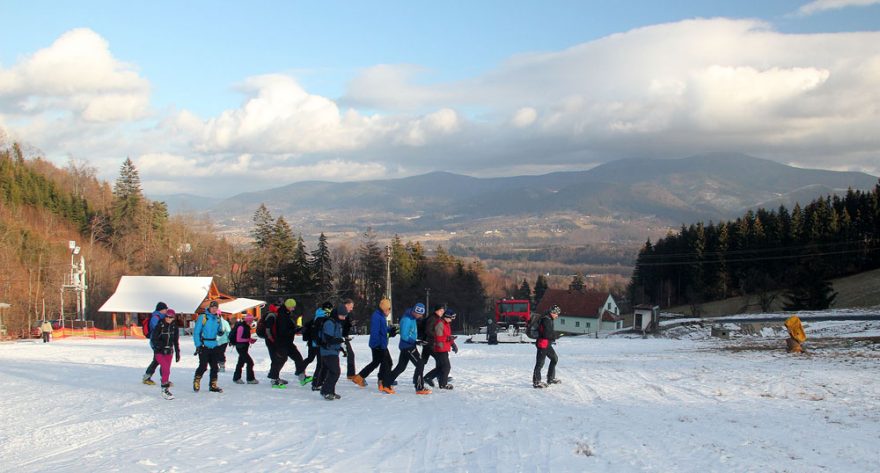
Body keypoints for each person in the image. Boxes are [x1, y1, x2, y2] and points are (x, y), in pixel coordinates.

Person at [386, 303, 431, 395]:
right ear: (415, 311)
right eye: (419, 314)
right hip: (408, 346)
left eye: (421, 314)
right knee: (420, 363)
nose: (420, 316)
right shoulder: (407, 319)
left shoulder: (412, 318)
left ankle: (386, 382)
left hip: (407, 346)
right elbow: (404, 336)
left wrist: (417, 340)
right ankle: (419, 387)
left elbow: (411, 332)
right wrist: (415, 342)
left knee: (401, 367)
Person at [351, 298, 394, 391]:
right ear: (384, 309)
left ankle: (360, 377)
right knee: (387, 363)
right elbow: (375, 332)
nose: (389, 312)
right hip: (378, 345)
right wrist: (377, 345)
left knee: (377, 362)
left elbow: (383, 330)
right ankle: (383, 382)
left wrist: (390, 331)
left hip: (381, 344)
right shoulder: (377, 316)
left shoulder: (381, 316)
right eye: (388, 309)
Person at [193, 300, 226, 393]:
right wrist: (198, 345)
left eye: (216, 308)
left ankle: (213, 385)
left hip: (214, 345)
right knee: (203, 366)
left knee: (215, 367)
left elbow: (220, 328)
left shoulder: (218, 318)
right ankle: (196, 381)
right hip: (204, 345)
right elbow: (196, 332)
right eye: (213, 308)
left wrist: (220, 331)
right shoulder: (203, 317)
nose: (214, 310)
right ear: (209, 308)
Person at [318, 305, 347, 400]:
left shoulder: (337, 323)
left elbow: (336, 338)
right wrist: (341, 340)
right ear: (337, 314)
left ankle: (330, 391)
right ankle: (325, 391)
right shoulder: (330, 323)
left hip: (333, 351)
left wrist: (342, 347)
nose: (344, 318)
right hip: (327, 351)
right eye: (342, 315)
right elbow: (329, 339)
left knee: (333, 372)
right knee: (335, 372)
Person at [150, 309, 180, 399]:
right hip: (159, 351)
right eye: (166, 316)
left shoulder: (174, 327)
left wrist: (177, 352)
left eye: (170, 317)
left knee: (166, 371)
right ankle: (164, 390)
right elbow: (154, 339)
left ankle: (165, 383)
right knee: (165, 369)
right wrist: (160, 346)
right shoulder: (160, 325)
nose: (168, 318)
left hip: (169, 351)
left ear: (174, 318)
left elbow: (175, 340)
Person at [267, 298, 297, 388]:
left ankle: (275, 377)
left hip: (276, 340)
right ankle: (274, 379)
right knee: (278, 359)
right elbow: (268, 330)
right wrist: (272, 339)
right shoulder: (272, 315)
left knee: (279, 358)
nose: (280, 307)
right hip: (273, 340)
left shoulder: (278, 314)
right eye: (279, 306)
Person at [424, 307, 456, 390]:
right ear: (446, 317)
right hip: (439, 348)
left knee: (441, 367)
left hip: (444, 348)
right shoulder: (440, 323)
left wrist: (453, 344)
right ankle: (443, 384)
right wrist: (447, 339)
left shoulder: (446, 324)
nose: (451, 320)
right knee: (446, 367)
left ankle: (428, 378)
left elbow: (448, 336)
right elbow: (437, 337)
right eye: (451, 318)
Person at [533, 304, 561, 388]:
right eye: (556, 314)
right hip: (542, 344)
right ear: (552, 312)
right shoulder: (546, 320)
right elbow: (546, 334)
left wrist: (554, 335)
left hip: (547, 344)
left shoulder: (549, 319)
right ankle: (537, 382)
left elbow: (548, 333)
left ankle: (550, 378)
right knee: (540, 363)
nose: (557, 316)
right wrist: (555, 336)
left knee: (554, 359)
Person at [417, 304, 443, 385]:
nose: (443, 312)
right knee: (441, 361)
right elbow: (428, 330)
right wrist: (437, 336)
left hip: (427, 343)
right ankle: (430, 377)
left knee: (423, 361)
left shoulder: (434, 317)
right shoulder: (433, 318)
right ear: (437, 311)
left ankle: (418, 377)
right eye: (441, 310)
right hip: (430, 343)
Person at [142, 302, 168, 385]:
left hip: (162, 342)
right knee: (158, 360)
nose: (166, 310)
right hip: (156, 342)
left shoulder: (163, 317)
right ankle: (147, 377)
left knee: (161, 360)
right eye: (165, 309)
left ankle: (163, 378)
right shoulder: (155, 317)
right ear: (161, 309)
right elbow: (157, 329)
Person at [310, 302, 333, 391]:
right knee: (321, 364)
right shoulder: (321, 317)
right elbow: (316, 331)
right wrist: (319, 342)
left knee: (322, 364)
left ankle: (319, 382)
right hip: (319, 344)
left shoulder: (320, 315)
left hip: (319, 343)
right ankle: (316, 383)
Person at [232, 313, 259, 384]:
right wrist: (249, 340)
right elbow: (239, 339)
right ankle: (250, 379)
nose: (250, 322)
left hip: (244, 347)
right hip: (240, 347)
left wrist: (250, 340)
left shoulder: (246, 326)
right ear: (246, 320)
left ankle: (236, 378)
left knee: (240, 362)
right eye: (249, 321)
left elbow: (245, 338)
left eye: (251, 321)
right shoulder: (241, 327)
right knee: (250, 363)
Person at [339, 299, 358, 380]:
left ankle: (351, 374)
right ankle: (351, 374)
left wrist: (350, 324)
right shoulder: (340, 313)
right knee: (349, 354)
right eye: (351, 307)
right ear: (346, 305)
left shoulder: (346, 314)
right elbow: (340, 326)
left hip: (343, 337)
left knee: (350, 354)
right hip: (339, 338)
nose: (351, 309)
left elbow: (344, 326)